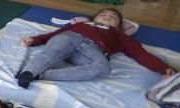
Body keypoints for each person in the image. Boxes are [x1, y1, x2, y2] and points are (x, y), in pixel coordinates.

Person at [16, 8, 175, 87]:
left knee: (103, 68)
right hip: (70, 38)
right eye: (104, 14)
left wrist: (163, 68)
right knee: (53, 51)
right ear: (95, 18)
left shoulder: (120, 36)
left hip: (92, 51)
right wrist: (34, 40)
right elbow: (55, 34)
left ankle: (41, 76)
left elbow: (141, 55)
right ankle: (28, 72)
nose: (108, 16)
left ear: (118, 26)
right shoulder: (82, 25)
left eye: (113, 17)